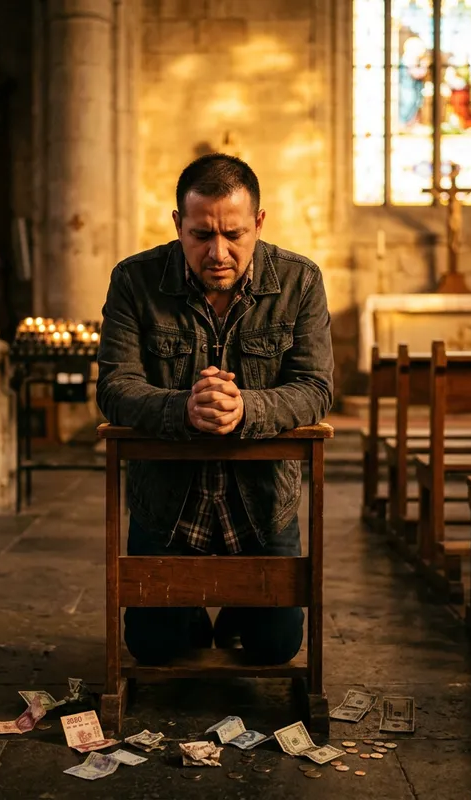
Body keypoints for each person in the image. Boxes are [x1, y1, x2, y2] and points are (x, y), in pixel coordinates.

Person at [96, 153, 334, 666]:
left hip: (262, 505)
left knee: (275, 650)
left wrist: (245, 408)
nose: (218, 251)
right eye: (201, 234)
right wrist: (185, 408)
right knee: (153, 649)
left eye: (234, 233)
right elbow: (115, 386)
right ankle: (194, 610)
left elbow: (315, 386)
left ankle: (239, 609)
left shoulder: (300, 281)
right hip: (169, 505)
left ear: (260, 223)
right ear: (179, 224)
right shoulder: (134, 281)